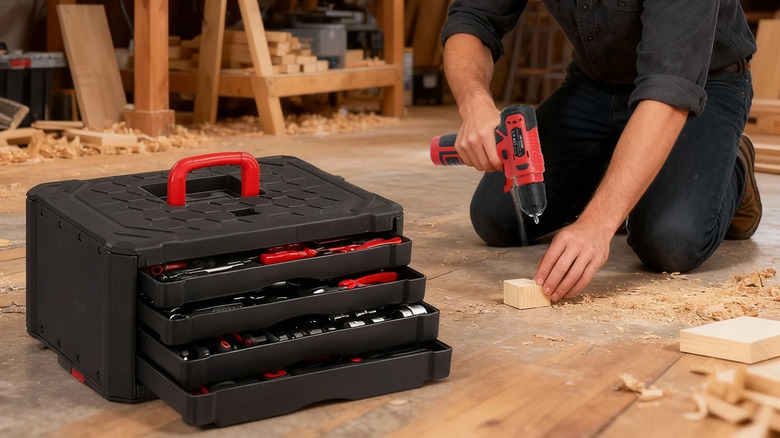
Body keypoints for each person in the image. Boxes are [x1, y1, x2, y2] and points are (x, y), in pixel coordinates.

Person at [440, 0, 762, 302]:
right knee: (499, 218)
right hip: (595, 86)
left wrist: (597, 224)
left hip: (701, 84)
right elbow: (472, 17)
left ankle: (733, 167)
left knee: (669, 243)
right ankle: (627, 167)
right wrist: (475, 105)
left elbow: (671, 86)